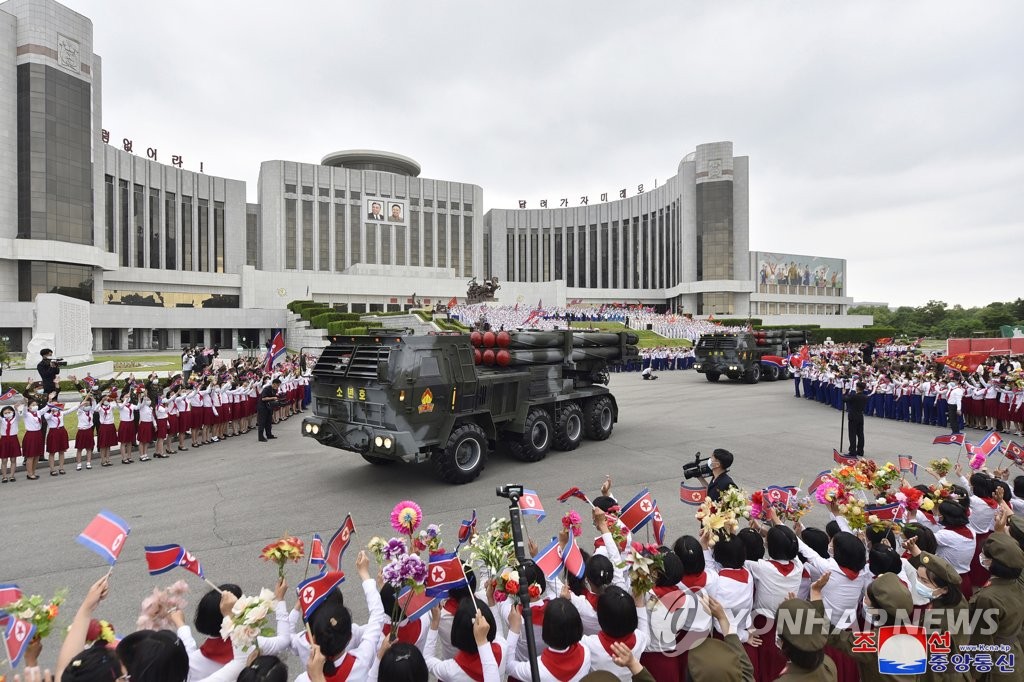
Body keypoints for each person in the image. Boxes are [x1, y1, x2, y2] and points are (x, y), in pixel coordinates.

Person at [842, 381, 868, 457]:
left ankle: (852, 451)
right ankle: (860, 450)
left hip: (853, 416)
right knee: (860, 434)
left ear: (857, 388)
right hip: (860, 416)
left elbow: (844, 399)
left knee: (852, 434)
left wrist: (844, 393)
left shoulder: (854, 396)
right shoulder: (865, 397)